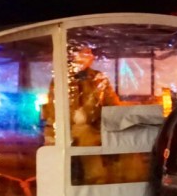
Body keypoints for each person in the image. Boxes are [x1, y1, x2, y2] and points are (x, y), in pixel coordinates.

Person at [41, 46, 121, 184]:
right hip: (64, 127)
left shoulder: (99, 78)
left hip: (93, 128)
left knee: (86, 136)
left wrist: (90, 117)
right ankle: (57, 182)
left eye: (88, 54)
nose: (84, 57)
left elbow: (112, 105)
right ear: (72, 56)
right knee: (55, 147)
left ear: (92, 58)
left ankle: (96, 181)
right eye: (80, 53)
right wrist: (65, 122)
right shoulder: (60, 78)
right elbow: (53, 107)